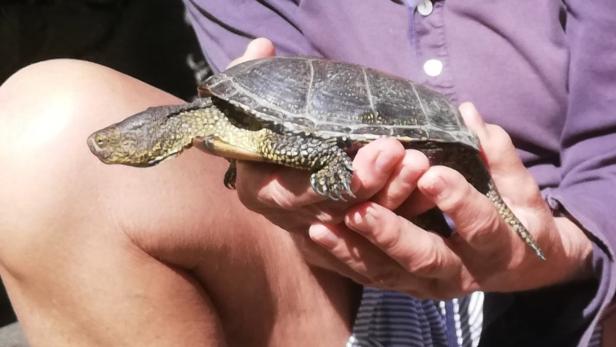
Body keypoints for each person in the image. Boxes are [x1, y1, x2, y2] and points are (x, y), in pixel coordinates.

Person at [0, 1, 614, 346]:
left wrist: (566, 249)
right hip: (346, 274)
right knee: (34, 131)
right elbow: (289, 137)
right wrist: (283, 192)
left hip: (572, 280)